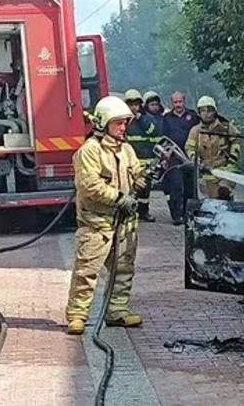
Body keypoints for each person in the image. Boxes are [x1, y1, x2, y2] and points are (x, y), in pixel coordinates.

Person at [65, 95, 146, 335]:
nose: (123, 128)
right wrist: (121, 198)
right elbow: (89, 185)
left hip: (124, 223)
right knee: (87, 271)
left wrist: (142, 180)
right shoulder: (90, 151)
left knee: (123, 269)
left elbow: (136, 173)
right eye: (117, 123)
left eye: (124, 123)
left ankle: (117, 311)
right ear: (103, 123)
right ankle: (77, 315)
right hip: (96, 224)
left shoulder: (127, 150)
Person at [186, 96, 240, 200]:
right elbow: (189, 147)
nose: (206, 114)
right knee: (211, 203)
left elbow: (236, 141)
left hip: (226, 172)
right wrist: (196, 160)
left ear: (215, 111)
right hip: (206, 173)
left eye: (209, 110)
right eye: (203, 111)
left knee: (224, 195)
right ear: (199, 113)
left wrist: (232, 160)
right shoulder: (195, 131)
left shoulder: (226, 127)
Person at [123, 89, 162, 222]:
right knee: (129, 188)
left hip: (146, 161)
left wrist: (141, 118)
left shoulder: (147, 119)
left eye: (136, 104)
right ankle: (129, 213)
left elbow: (153, 131)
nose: (134, 107)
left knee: (145, 190)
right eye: (131, 104)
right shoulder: (122, 121)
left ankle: (144, 212)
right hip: (129, 161)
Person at [162, 91, 200, 224]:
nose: (178, 105)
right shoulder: (167, 118)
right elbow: (163, 138)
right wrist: (165, 157)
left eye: (180, 102)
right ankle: (177, 216)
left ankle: (188, 214)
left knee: (190, 186)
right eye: (175, 102)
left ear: (184, 101)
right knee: (176, 186)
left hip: (189, 156)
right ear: (171, 103)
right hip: (174, 157)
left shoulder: (193, 116)